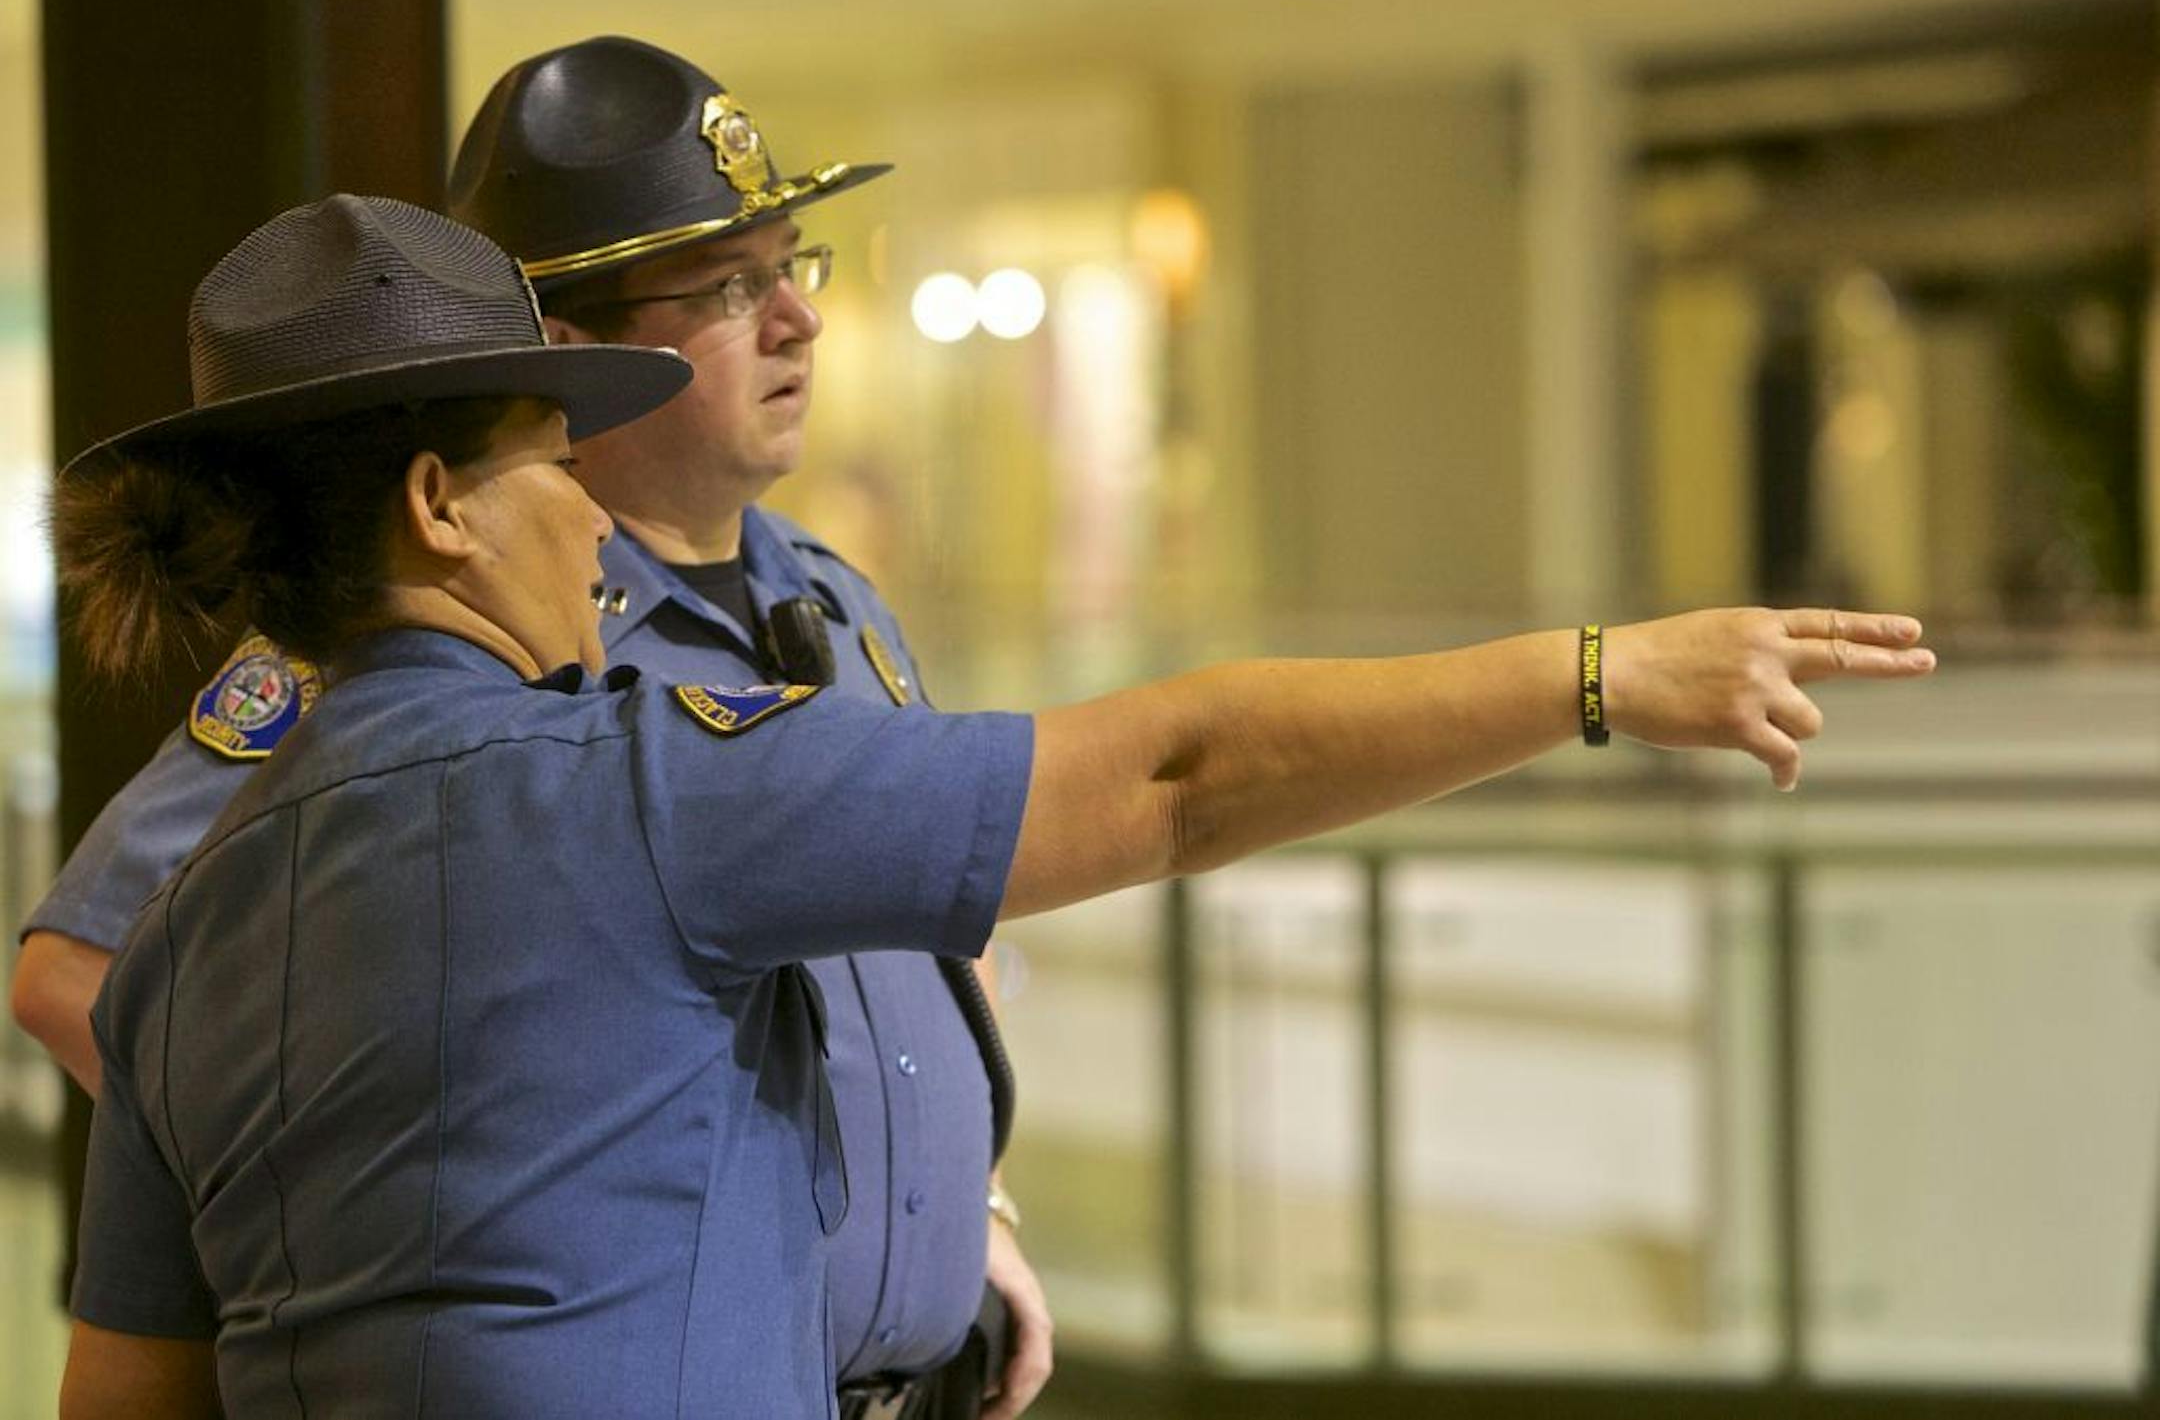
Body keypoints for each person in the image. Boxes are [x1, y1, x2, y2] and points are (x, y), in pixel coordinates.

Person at [51, 194, 1930, 1419]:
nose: (588, 514)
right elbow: (1178, 778)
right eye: (552, 461)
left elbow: (120, 1399)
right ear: (438, 508)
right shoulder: (632, 790)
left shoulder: (186, 938)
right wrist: (1595, 675)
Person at [16, 34, 1052, 1420]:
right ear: (565, 350)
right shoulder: (428, 643)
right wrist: (442, 1200)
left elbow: (923, 945)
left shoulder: (834, 599)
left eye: (790, 264)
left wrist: (969, 1204)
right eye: (729, 285)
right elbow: (85, 969)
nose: (797, 319)